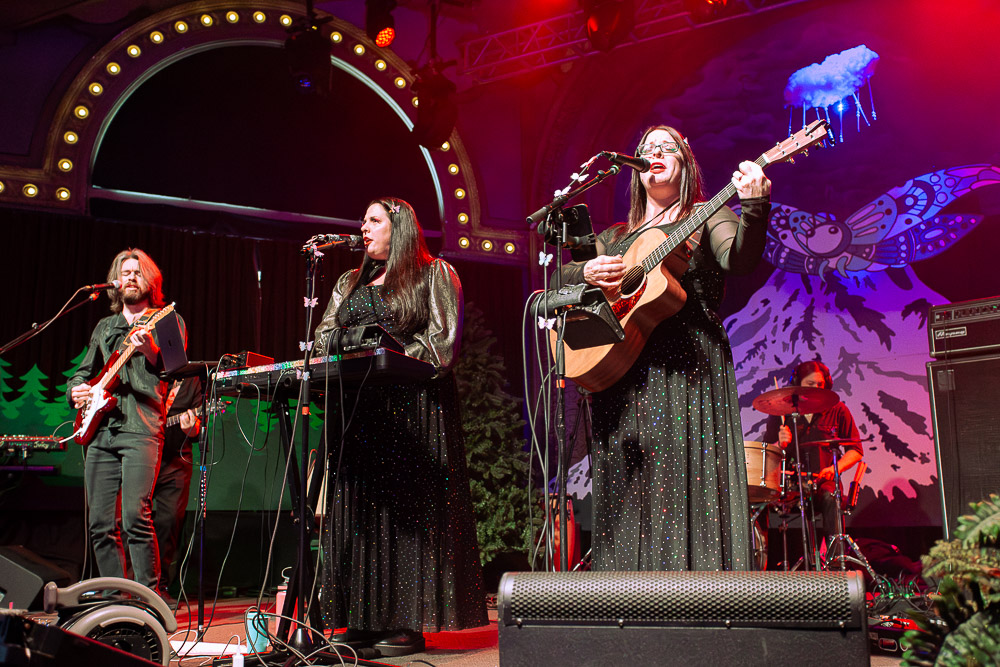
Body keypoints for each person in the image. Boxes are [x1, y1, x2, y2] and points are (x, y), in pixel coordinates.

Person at [559, 125, 772, 571]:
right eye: (646, 149)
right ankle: (626, 599)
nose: (654, 154)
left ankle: (694, 600)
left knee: (682, 482)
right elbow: (561, 280)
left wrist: (753, 206)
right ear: (634, 170)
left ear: (685, 163)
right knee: (628, 487)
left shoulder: (707, 215)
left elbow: (739, 258)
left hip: (687, 366)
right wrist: (585, 274)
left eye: (666, 148)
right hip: (621, 375)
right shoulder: (615, 238)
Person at [312, 197, 486, 657]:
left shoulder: (435, 274)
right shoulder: (350, 281)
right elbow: (324, 335)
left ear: (400, 227)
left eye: (373, 220)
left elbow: (441, 345)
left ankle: (403, 623)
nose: (363, 227)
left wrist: (391, 356)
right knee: (359, 516)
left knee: (403, 519)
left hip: (412, 412)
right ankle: (359, 622)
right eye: (362, 219)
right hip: (357, 411)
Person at [67, 248, 185, 593]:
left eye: (137, 271)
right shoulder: (106, 325)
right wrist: (77, 391)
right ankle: (112, 598)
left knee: (136, 517)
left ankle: (146, 600)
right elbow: (84, 373)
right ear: (115, 282)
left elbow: (176, 368)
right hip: (101, 430)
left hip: (141, 428)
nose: (130, 277)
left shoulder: (165, 319)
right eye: (124, 272)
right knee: (100, 523)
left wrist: (149, 348)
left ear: (149, 279)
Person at [762, 360, 863, 547]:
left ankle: (835, 562)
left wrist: (835, 468)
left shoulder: (837, 409)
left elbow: (855, 451)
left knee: (832, 496)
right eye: (810, 385)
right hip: (790, 484)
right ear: (798, 383)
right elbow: (767, 454)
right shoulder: (781, 411)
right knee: (757, 498)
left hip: (824, 482)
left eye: (820, 385)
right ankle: (761, 561)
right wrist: (780, 444)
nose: (816, 388)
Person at [152, 375, 202, 601]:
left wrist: (191, 429)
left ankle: (159, 587)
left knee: (169, 522)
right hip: (143, 455)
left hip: (175, 461)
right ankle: (126, 584)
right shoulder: (146, 371)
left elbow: (198, 430)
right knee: (129, 518)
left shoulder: (191, 381)